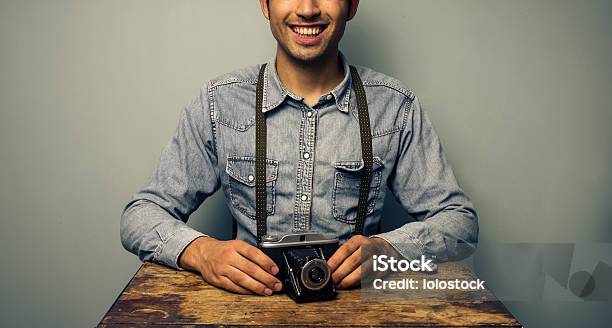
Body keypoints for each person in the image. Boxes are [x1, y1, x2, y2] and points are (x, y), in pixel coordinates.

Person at [120, 0, 478, 296]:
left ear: (352, 5)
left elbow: (460, 223)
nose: (307, 9)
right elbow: (140, 215)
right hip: (242, 320)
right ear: (265, 4)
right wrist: (202, 252)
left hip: (361, 324)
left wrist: (387, 251)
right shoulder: (219, 103)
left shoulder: (395, 106)